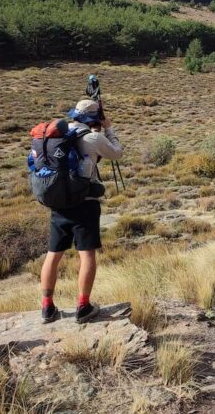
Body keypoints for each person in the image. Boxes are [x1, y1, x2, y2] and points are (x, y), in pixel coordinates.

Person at [39, 99, 123, 324]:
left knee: (53, 254)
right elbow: (117, 153)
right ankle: (83, 306)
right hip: (84, 202)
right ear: (94, 119)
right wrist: (109, 128)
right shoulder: (94, 138)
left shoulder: (58, 137)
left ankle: (47, 308)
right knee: (86, 255)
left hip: (59, 202)